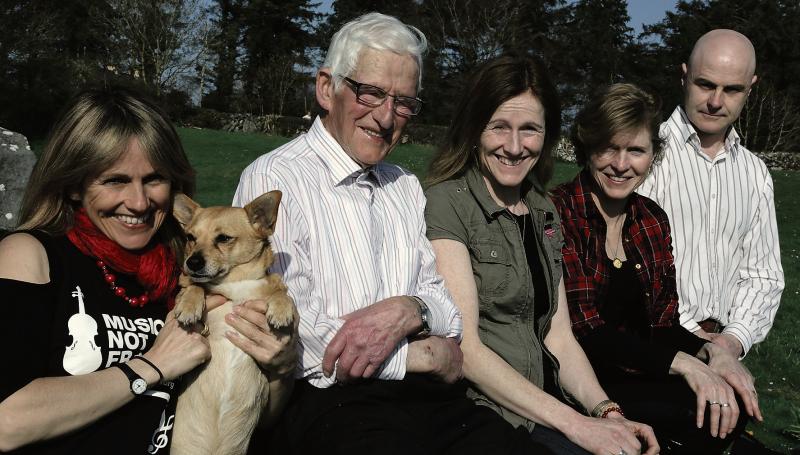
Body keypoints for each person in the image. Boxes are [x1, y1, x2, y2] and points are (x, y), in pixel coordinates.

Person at [233, 13, 550, 455]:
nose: (386, 117)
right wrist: (418, 356)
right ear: (327, 88)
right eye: (372, 93)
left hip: (426, 401)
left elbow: (446, 310)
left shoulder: (403, 185)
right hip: (328, 402)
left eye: (404, 102)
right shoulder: (275, 179)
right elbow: (291, 338)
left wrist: (410, 307)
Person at [0, 88, 295, 454]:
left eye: (154, 179)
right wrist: (152, 366)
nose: (139, 202)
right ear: (75, 185)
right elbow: (5, 421)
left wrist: (280, 370)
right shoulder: (32, 255)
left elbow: (258, 417)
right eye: (115, 180)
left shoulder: (187, 270)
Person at [424, 56, 658, 455]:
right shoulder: (447, 203)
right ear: (474, 128)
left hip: (544, 406)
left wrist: (606, 413)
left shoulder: (542, 208)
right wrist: (578, 426)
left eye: (529, 129)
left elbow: (559, 335)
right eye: (499, 127)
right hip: (483, 414)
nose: (514, 148)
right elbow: (468, 349)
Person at [550, 83, 756, 454]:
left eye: (635, 150)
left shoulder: (649, 219)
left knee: (728, 402)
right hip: (580, 378)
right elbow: (584, 330)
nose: (621, 164)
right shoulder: (559, 213)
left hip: (638, 370)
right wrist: (687, 366)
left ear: (652, 155)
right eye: (609, 148)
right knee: (690, 410)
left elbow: (662, 324)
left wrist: (713, 354)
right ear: (588, 148)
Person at [636, 29, 784, 360]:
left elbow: (763, 276)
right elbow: (630, 267)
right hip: (655, 350)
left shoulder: (754, 172)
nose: (716, 101)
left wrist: (731, 341)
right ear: (684, 77)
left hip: (725, 354)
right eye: (706, 85)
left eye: (732, 90)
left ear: (750, 88)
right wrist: (692, 336)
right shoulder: (644, 156)